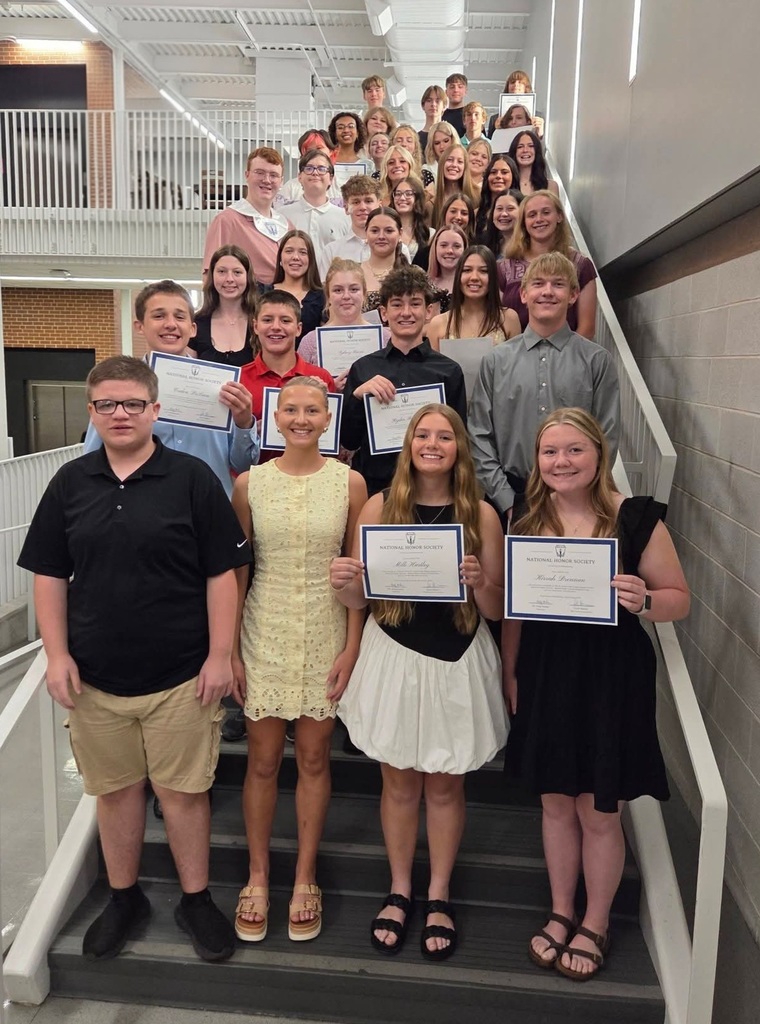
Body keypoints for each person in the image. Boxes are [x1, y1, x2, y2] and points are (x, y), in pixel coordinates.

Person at [18, 355, 253, 963]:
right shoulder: (70, 482)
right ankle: (124, 897)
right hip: (94, 679)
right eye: (107, 405)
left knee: (183, 794)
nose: (119, 415)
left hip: (181, 674)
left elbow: (221, 575)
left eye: (132, 404)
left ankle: (195, 899)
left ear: (156, 408)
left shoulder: (194, 479)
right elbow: (48, 573)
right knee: (117, 791)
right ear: (92, 413)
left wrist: (221, 655)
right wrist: (57, 654)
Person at [503, 407, 690, 979]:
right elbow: (513, 613)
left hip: (611, 676)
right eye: (550, 452)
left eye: (573, 450)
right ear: (538, 462)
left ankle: (597, 921)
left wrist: (645, 600)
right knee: (555, 802)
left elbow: (678, 597)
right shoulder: (524, 518)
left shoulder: (635, 520)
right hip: (545, 671)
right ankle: (561, 911)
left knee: (600, 810)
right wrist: (511, 672)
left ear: (597, 455)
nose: (561, 462)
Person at [330, 403, 508, 959]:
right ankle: (400, 888)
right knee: (399, 785)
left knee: (446, 784)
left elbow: (499, 611)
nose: (433, 444)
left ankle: (439, 893)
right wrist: (344, 583)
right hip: (395, 655)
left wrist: (480, 582)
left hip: (457, 657)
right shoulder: (380, 507)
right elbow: (360, 599)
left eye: (444, 436)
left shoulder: (481, 514)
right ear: (408, 445)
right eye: (422, 435)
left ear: (459, 447)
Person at [231, 376, 367, 944]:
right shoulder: (248, 484)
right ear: (276, 417)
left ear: (328, 416)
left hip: (325, 628)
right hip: (263, 626)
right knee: (262, 760)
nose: (303, 418)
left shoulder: (351, 483)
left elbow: (358, 571)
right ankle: (258, 875)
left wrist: (353, 644)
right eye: (292, 409)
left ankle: (306, 875)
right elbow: (238, 569)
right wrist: (231, 647)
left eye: (314, 409)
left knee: (314, 758)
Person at [468, 252, 619, 522]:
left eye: (558, 284)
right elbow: (479, 434)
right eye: (538, 283)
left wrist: (586, 495)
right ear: (524, 294)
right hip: (511, 494)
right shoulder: (495, 361)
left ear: (573, 295)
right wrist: (505, 498)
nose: (547, 292)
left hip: (576, 497)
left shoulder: (597, 361)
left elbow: (606, 436)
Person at [82, 281, 259, 498]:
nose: (170, 324)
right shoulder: (117, 389)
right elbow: (93, 461)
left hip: (210, 512)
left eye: (180, 316)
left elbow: (243, 466)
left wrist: (243, 423)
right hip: (145, 511)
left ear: (193, 328)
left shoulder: (220, 385)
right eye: (158, 316)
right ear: (140, 326)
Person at [340, 266, 467, 496]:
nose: (406, 312)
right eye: (397, 304)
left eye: (415, 303)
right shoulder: (363, 369)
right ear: (383, 313)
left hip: (432, 492)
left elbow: (459, 441)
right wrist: (358, 397)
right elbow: (348, 440)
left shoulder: (449, 372)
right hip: (376, 489)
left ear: (429, 311)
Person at [499, 190, 598, 338]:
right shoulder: (503, 268)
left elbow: (587, 327)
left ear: (559, 216)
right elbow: (496, 323)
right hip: (514, 356)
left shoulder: (581, 265)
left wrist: (561, 359)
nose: (539, 219)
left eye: (546, 212)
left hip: (567, 356)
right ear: (524, 223)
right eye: (532, 215)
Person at [203, 147, 291, 287]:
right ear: (247, 175)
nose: (267, 180)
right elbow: (210, 275)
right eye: (259, 173)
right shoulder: (227, 221)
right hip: (245, 304)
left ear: (281, 181)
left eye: (273, 175)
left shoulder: (287, 226)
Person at [298, 258, 390, 390]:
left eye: (353, 289)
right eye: (338, 290)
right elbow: (299, 392)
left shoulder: (385, 338)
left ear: (364, 293)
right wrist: (329, 388)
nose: (346, 296)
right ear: (328, 296)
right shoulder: (310, 342)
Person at [426, 245, 520, 349]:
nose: (474, 277)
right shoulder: (438, 324)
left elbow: (515, 364)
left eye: (483, 271)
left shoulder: (509, 319)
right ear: (458, 276)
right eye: (467, 270)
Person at [189, 244, 259, 366]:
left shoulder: (262, 322)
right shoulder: (197, 323)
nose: (229, 279)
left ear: (248, 277)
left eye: (237, 272)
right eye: (222, 272)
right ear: (212, 276)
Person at [284, 149, 350, 258]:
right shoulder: (283, 215)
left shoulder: (345, 218)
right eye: (309, 169)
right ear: (299, 177)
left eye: (321, 169)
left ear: (331, 179)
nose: (315, 173)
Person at [317, 175, 382, 277]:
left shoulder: (396, 248)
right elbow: (325, 290)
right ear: (346, 208)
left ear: (379, 205)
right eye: (356, 202)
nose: (362, 207)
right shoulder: (331, 251)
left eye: (368, 201)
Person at [272, 230, 325, 346]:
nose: (295, 257)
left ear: (310, 260)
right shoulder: (263, 293)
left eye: (302, 252)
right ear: (280, 258)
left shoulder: (322, 297)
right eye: (289, 251)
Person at [360, 206, 409, 321]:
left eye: (389, 231)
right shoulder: (352, 274)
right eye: (375, 231)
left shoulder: (414, 275)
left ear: (400, 233)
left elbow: (430, 323)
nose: (381, 236)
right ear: (366, 232)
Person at [276, 130, 341, 207]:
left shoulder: (341, 188)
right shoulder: (290, 188)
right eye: (309, 150)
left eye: (319, 148)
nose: (314, 153)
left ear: (331, 151)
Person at [425, 143, 477, 229]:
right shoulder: (431, 204)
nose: (454, 165)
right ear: (442, 163)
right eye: (449, 160)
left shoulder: (476, 196)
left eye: (460, 161)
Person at [474, 154, 520, 238]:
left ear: (513, 176)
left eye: (504, 172)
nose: (498, 176)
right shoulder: (475, 214)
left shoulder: (523, 210)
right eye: (493, 172)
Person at [426, 224, 467, 314]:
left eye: (456, 246)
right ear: (435, 248)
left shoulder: (470, 285)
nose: (449, 251)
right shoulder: (423, 285)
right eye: (444, 245)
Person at [388, 175, 431, 262]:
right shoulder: (386, 231)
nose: (402, 198)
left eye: (408, 194)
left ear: (417, 198)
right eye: (398, 194)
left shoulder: (430, 234)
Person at [508, 130, 559, 197]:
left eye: (531, 146)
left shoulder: (551, 186)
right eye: (520, 147)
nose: (525, 150)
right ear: (514, 151)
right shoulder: (506, 185)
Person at [479, 188, 523, 259]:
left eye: (510, 209)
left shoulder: (531, 245)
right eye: (499, 209)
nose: (504, 214)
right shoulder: (485, 244)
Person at [418, 84, 447, 153]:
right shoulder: (416, 138)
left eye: (437, 101)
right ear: (423, 105)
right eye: (429, 100)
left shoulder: (450, 136)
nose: (433, 104)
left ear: (444, 106)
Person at [441, 73, 468, 138]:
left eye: (460, 87)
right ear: (446, 92)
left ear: (466, 91)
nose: (456, 90)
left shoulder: (470, 115)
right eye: (452, 87)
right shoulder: (441, 116)